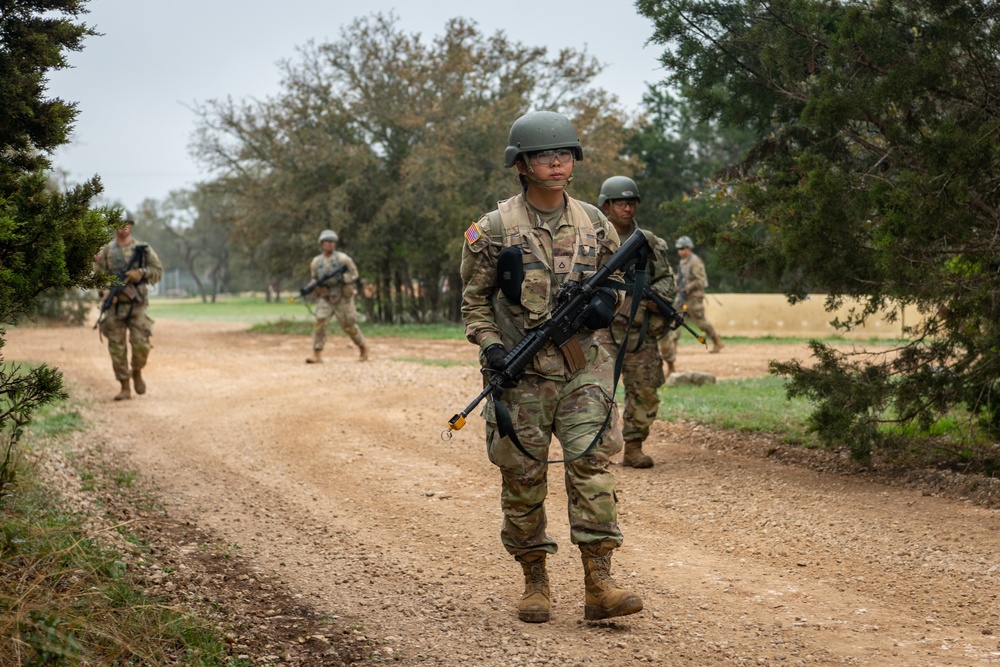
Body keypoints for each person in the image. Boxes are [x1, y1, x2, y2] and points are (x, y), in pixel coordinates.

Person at [460, 110, 643, 624]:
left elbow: (626, 286)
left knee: (592, 469)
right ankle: (534, 578)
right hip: (522, 374)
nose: (558, 161)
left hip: (586, 368)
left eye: (565, 153)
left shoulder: (595, 221)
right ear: (521, 165)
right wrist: (493, 347)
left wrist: (608, 303)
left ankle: (599, 583)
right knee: (523, 477)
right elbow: (474, 302)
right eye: (545, 155)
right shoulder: (493, 229)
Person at [594, 176, 675, 469]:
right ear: (607, 205)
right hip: (601, 329)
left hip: (639, 330)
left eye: (631, 202)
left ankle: (634, 447)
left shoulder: (648, 242)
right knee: (598, 390)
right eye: (620, 202)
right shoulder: (592, 238)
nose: (627, 208)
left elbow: (666, 278)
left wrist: (659, 298)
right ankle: (598, 449)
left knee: (644, 389)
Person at [93, 210, 163, 401]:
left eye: (126, 224)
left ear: (131, 225)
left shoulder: (142, 249)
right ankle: (124, 386)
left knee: (141, 345)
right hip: (115, 307)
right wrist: (105, 292)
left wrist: (141, 272)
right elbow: (98, 276)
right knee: (117, 348)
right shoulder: (107, 251)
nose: (123, 228)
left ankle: (137, 370)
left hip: (137, 305)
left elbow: (157, 271)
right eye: (119, 224)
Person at [658, 235, 725, 370]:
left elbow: (701, 280)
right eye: (678, 249)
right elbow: (681, 278)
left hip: (694, 297)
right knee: (674, 318)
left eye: (683, 248)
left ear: (689, 248)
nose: (680, 251)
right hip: (682, 296)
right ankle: (674, 346)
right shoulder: (683, 262)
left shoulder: (695, 262)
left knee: (700, 321)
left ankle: (717, 341)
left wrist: (688, 287)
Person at [305, 229, 368, 363]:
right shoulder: (316, 262)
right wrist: (311, 287)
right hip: (326, 297)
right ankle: (317, 354)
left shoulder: (343, 259)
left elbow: (355, 274)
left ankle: (363, 348)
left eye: (333, 242)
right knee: (320, 322)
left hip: (342, 296)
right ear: (322, 244)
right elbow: (314, 278)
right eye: (327, 242)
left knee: (348, 325)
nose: (330, 244)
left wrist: (342, 278)